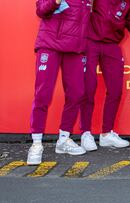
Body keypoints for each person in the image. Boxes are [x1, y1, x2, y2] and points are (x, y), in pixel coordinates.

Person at [27, 0, 92, 165]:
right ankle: (36, 143)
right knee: (43, 94)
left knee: (77, 93)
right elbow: (41, 10)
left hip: (75, 49)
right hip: (50, 45)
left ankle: (64, 139)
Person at [79, 0, 130, 151]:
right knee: (88, 88)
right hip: (91, 43)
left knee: (115, 90)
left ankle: (106, 134)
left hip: (112, 45)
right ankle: (85, 133)